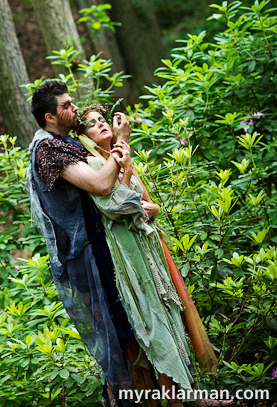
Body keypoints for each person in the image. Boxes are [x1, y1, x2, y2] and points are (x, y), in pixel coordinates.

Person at [75, 106, 220, 406]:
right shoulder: (92, 163)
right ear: (83, 136)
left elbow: (149, 206)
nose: (100, 125)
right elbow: (114, 208)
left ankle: (187, 398)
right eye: (91, 124)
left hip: (149, 247)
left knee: (169, 315)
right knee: (152, 325)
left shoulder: (117, 156)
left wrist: (134, 186)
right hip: (129, 255)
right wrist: (126, 171)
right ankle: (177, 402)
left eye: (102, 120)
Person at [28, 80, 139, 406]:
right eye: (65, 106)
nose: (73, 108)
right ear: (50, 117)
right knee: (112, 340)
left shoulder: (66, 142)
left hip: (98, 246)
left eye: (72, 102)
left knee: (125, 331)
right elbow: (101, 185)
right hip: (83, 254)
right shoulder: (47, 150)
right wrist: (119, 143)